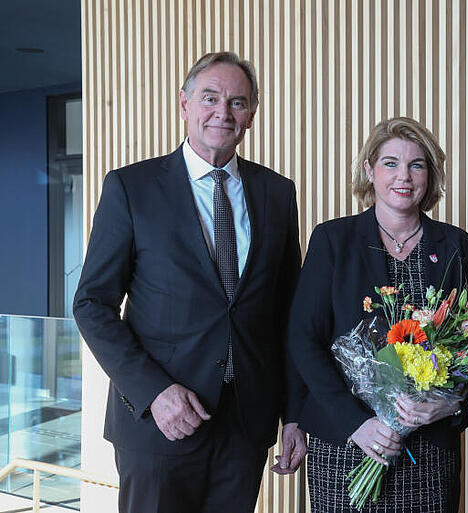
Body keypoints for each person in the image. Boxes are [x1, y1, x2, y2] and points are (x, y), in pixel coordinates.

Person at [73, 52, 306, 513]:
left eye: (238, 102)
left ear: (252, 115)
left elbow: (289, 315)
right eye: (210, 98)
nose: (223, 111)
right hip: (159, 423)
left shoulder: (277, 193)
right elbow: (92, 304)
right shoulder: (131, 188)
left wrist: (295, 414)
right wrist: (153, 392)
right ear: (184, 104)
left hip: (245, 424)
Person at [286, 116, 468, 512]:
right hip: (346, 443)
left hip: (429, 449)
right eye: (390, 163)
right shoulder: (332, 240)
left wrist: (451, 402)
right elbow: (303, 339)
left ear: (430, 174)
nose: (403, 176)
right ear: (368, 170)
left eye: (417, 164)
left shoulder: (457, 245)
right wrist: (356, 424)